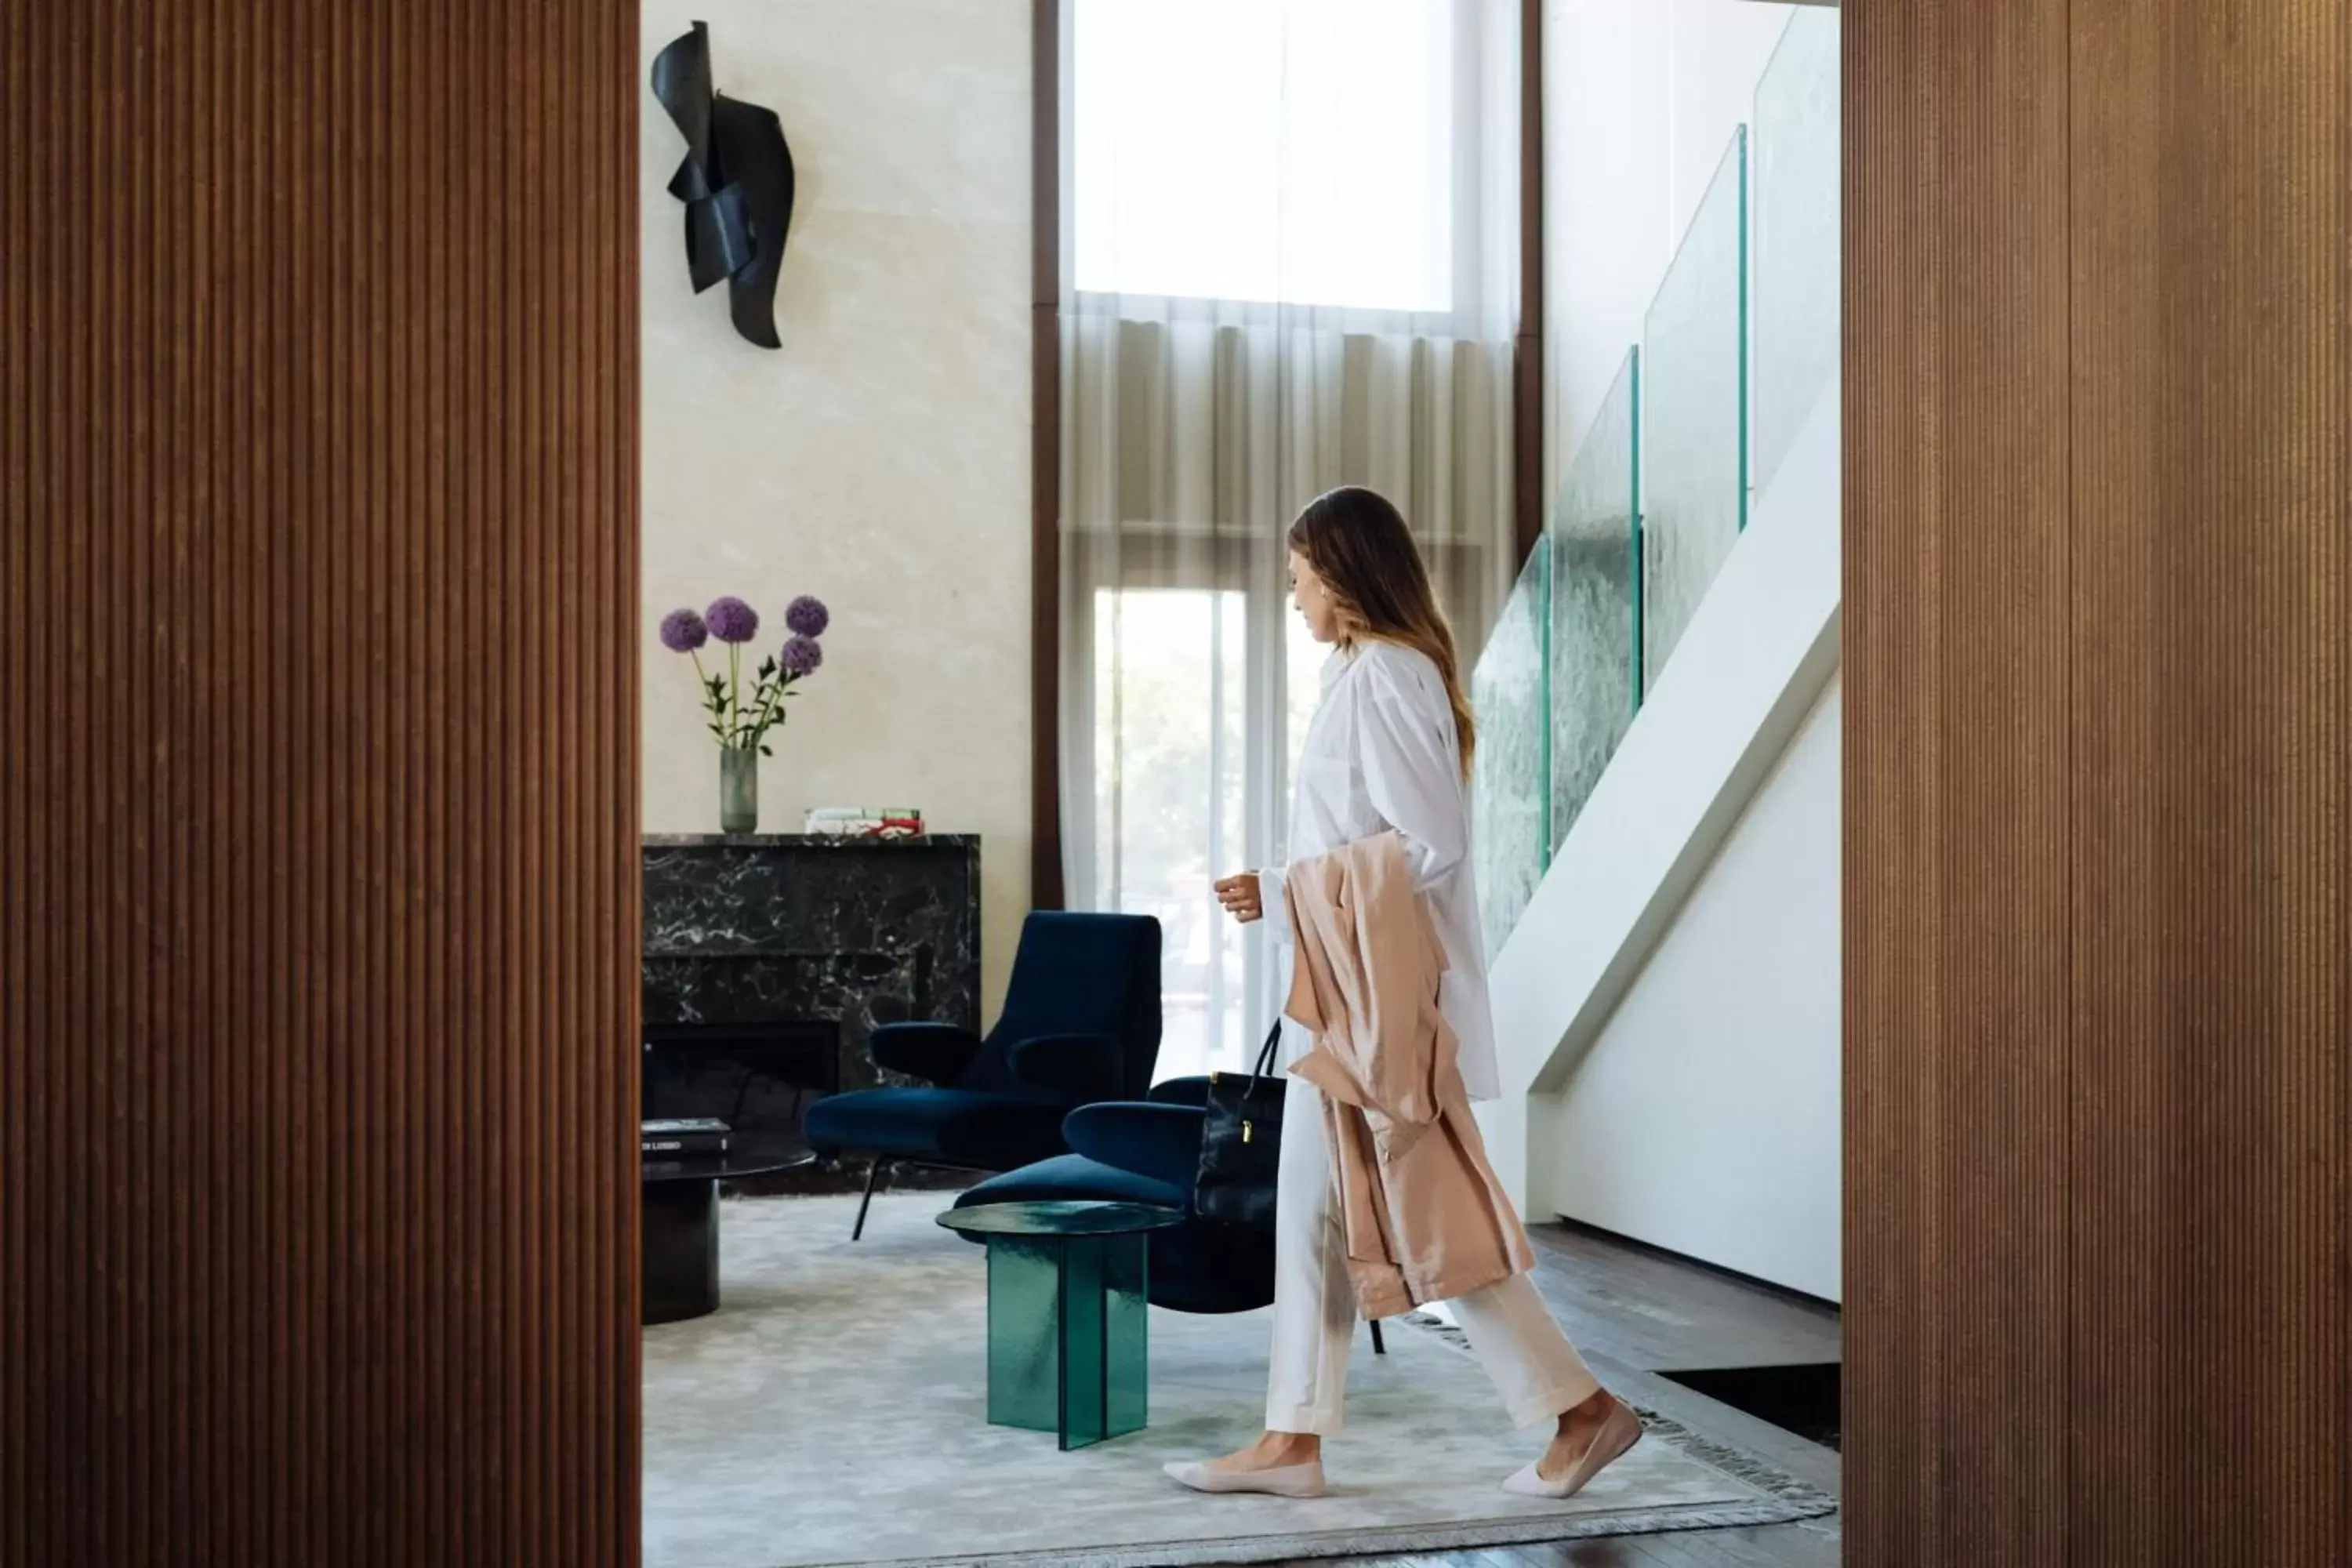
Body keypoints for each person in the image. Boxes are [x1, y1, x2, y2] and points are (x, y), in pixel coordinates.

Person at [1164, 485, 1642, 1501]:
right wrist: (1285, 884)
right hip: (1347, 989)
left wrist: (1297, 886)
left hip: (1378, 1004)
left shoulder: (1385, 674)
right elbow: (1361, 838)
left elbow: (1432, 844)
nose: (1291, 598)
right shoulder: (1361, 672)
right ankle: (1294, 1441)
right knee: (1314, 1214)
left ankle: (1581, 1409)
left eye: (1297, 577)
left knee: (1425, 1212)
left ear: (1341, 574)